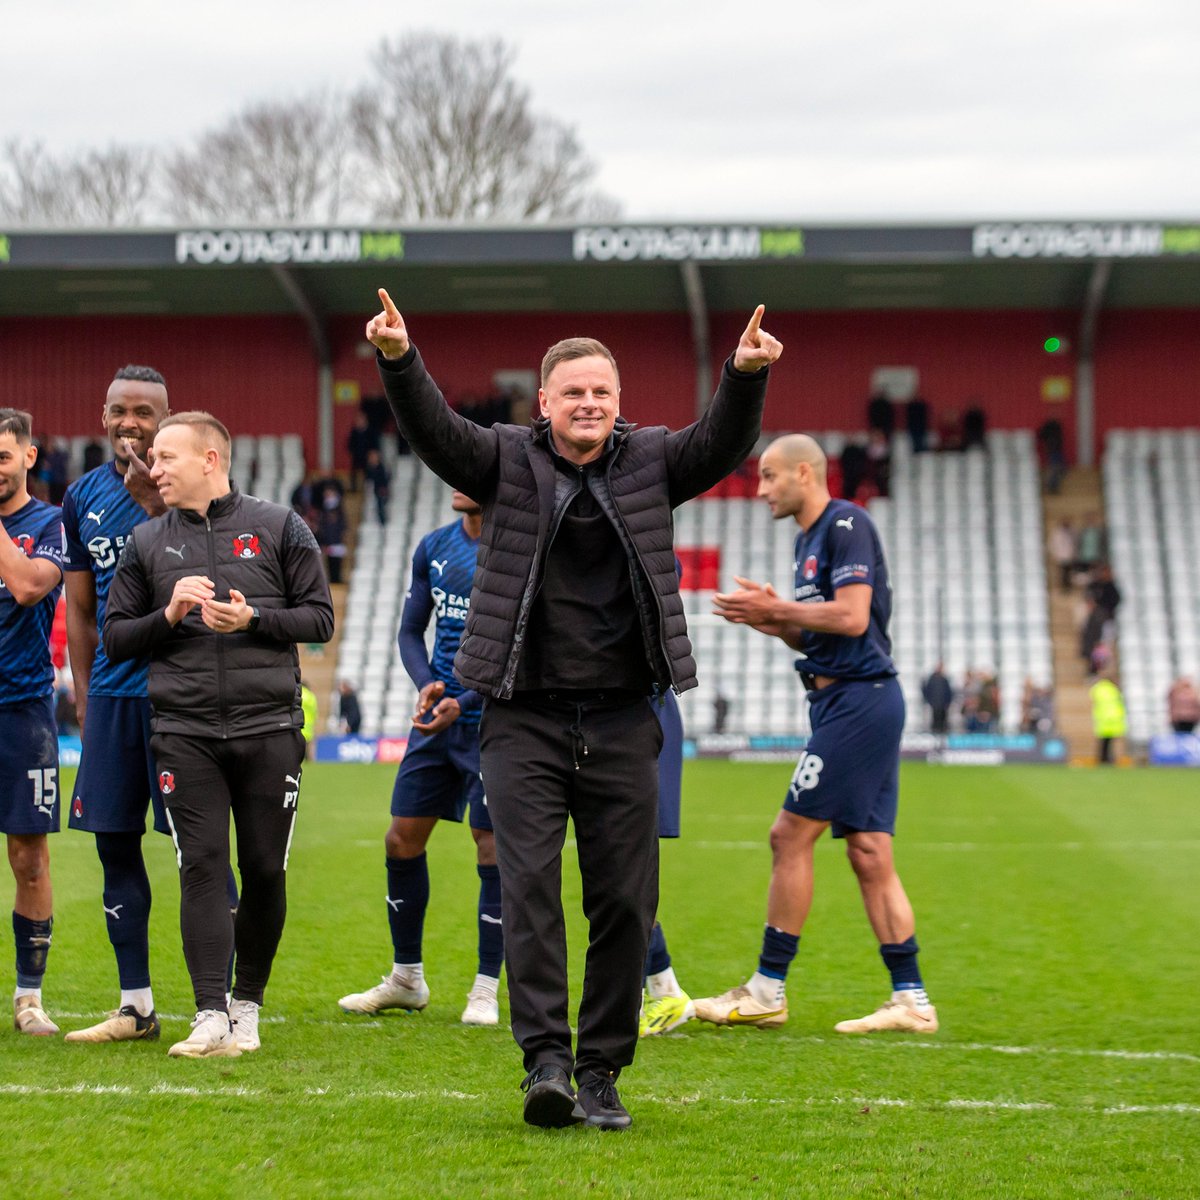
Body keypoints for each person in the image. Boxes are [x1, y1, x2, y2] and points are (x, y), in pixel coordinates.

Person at [365, 288, 780, 1130]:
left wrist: (742, 376)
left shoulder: (654, 459)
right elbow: (436, 433)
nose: (589, 404)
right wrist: (400, 361)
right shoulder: (504, 460)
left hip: (628, 716)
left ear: (617, 405)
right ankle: (545, 1065)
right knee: (529, 893)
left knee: (625, 900)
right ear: (544, 402)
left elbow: (722, 443)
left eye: (603, 393)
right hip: (522, 717)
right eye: (573, 392)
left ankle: (602, 1072)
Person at [104, 411, 334, 1058]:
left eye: (167, 458)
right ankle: (209, 1014)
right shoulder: (146, 543)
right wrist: (171, 614)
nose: (155, 471)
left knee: (263, 869)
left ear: (210, 459)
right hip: (184, 731)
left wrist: (254, 618)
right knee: (199, 866)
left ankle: (246, 1006)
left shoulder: (279, 527)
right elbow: (118, 639)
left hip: (270, 728)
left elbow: (319, 619)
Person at [695, 433, 937, 1037]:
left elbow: (852, 617)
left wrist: (782, 612)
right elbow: (822, 634)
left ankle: (766, 989)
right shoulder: (808, 539)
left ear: (805, 473)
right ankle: (910, 998)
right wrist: (775, 622)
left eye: (771, 476)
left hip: (859, 703)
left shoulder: (845, 523)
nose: (762, 489)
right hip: (851, 701)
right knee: (869, 852)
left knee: (788, 835)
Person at [60, 366, 237, 1046]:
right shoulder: (82, 497)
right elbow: (81, 607)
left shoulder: (194, 490)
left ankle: (225, 1006)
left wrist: (162, 510)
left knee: (200, 854)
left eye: (145, 413)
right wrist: (84, 690)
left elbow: (231, 576)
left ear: (167, 420)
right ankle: (135, 1006)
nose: (130, 423)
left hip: (184, 695)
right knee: (113, 843)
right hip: (112, 694)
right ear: (102, 416)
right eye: (119, 411)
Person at [339, 491, 505, 1026]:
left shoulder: (516, 548)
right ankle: (407, 978)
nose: (454, 480)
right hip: (440, 717)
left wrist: (469, 700)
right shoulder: (434, 547)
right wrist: (427, 683)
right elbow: (411, 630)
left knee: (492, 847)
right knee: (401, 838)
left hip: (496, 720)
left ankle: (485, 987)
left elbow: (523, 644)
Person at [0, 409, 65, 1036]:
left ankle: (29, 997)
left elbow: (25, 587)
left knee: (29, 859)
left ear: (28, 456)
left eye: (0, 455)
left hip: (22, 712)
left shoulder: (49, 524)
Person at [639, 687, 695, 1037]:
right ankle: (664, 988)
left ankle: (654, 993)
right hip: (589, 714)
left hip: (638, 715)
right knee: (613, 875)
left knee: (624, 870)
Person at [1090, 669, 1127, 765]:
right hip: (1111, 719)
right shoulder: (1113, 689)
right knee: (1107, 742)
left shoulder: (1099, 688)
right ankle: (1106, 759)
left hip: (1105, 719)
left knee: (1105, 742)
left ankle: (1105, 759)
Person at [921, 663, 953, 734]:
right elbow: (927, 690)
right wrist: (930, 701)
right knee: (935, 722)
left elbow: (948, 692)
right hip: (935, 704)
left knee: (943, 722)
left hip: (943, 705)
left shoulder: (944, 679)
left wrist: (948, 702)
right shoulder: (932, 679)